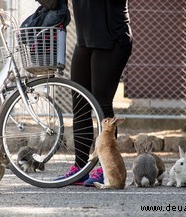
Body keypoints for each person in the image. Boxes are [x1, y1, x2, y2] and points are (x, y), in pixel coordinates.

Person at [56, 0, 133, 186]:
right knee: (79, 104)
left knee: (101, 104)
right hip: (85, 41)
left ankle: (105, 168)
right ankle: (80, 168)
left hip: (112, 39)